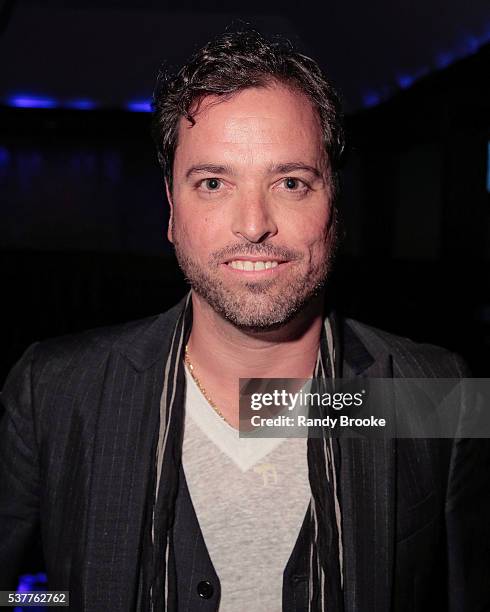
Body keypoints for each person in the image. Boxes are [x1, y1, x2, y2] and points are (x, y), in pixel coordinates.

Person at [0, 29, 488, 612]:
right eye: (213, 183)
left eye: (290, 183)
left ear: (334, 206)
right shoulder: (53, 390)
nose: (253, 223)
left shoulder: (437, 396)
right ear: (172, 211)